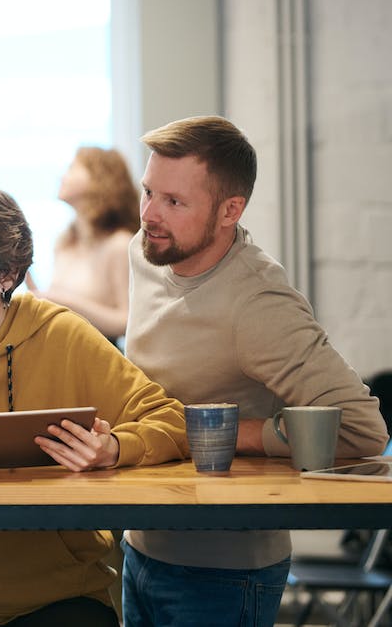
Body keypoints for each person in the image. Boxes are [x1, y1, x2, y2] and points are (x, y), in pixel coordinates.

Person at [120, 115, 389, 627]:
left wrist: (222, 434)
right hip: (141, 545)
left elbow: (362, 430)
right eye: (148, 191)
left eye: (174, 202)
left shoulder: (258, 301)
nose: (150, 214)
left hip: (222, 573)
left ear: (231, 210)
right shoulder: (147, 250)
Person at [0, 186, 187, 627]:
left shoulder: (63, 336)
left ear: (6, 275)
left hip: (64, 593)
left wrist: (114, 448)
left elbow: (172, 419)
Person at [26, 146, 138, 343]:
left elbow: (127, 321)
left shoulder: (120, 245)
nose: (62, 177)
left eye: (72, 168)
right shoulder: (65, 242)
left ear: (100, 179)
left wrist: (63, 302)